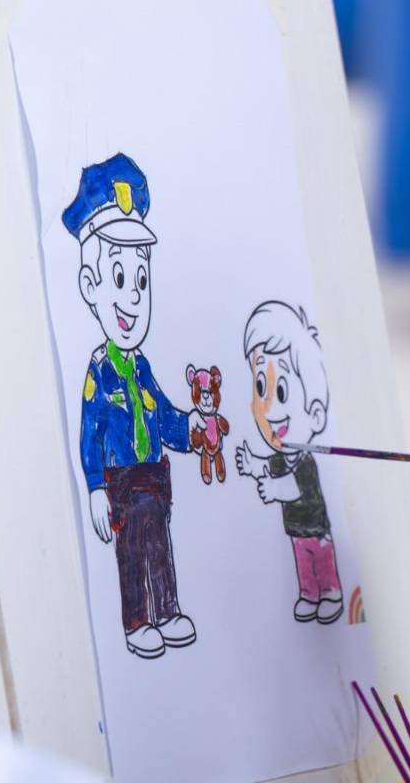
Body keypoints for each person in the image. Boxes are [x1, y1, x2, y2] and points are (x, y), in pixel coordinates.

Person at [67, 153, 205, 660]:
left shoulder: (141, 366)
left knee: (159, 549)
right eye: (120, 279)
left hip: (155, 476)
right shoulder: (99, 371)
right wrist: (95, 488)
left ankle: (167, 610)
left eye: (141, 281)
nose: (133, 298)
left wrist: (192, 429)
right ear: (90, 287)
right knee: (131, 556)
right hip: (123, 481)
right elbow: (89, 433)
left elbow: (163, 413)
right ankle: (138, 619)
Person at [234, 301, 344, 625]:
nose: (269, 409)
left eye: (280, 390)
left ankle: (332, 593)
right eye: (259, 388)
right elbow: (269, 467)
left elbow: (293, 487)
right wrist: (251, 463)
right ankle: (310, 595)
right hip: (297, 532)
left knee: (321, 561)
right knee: (302, 563)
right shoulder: (282, 455)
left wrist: (272, 487)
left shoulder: (306, 460)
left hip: (316, 528)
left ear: (315, 413)